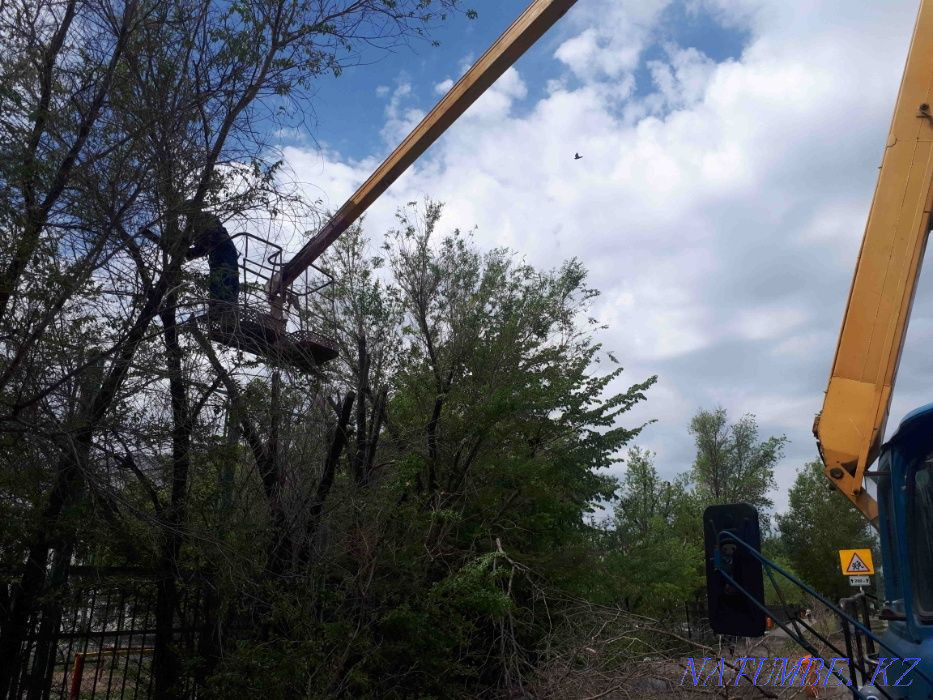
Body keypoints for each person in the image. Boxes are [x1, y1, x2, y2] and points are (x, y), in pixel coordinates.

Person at [184, 207, 239, 314]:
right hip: (218, 252)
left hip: (223, 250)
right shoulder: (201, 221)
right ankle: (218, 310)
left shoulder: (205, 219)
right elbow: (202, 246)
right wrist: (190, 252)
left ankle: (225, 309)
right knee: (218, 280)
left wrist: (191, 251)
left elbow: (207, 242)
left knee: (225, 278)